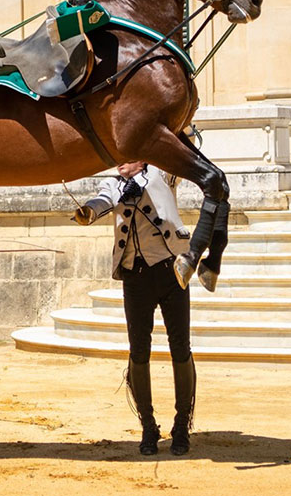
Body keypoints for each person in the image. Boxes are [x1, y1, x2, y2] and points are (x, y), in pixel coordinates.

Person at [73, 161, 197, 456]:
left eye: (127, 155)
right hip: (135, 276)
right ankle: (148, 425)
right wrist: (88, 212)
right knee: (138, 350)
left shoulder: (162, 171)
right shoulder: (112, 184)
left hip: (171, 271)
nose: (121, 161)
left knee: (180, 346)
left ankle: (182, 424)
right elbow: (102, 201)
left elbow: (187, 144)